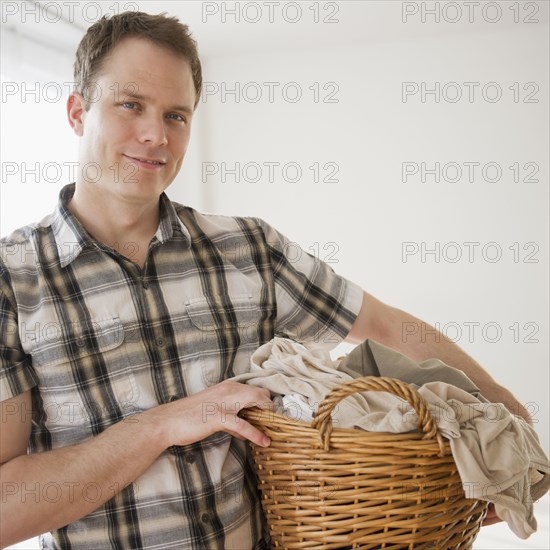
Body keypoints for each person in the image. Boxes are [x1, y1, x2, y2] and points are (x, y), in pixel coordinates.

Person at [0, 11, 530, 549]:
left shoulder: (249, 248)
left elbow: (388, 327)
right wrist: (160, 425)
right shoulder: (11, 281)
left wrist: (515, 425)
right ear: (76, 112)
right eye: (130, 105)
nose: (155, 135)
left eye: (177, 115)